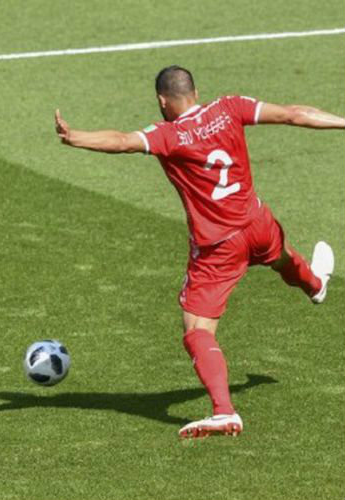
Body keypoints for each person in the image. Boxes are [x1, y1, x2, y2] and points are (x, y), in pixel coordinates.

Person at [54, 65, 343, 438]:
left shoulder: (168, 135)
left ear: (162, 101)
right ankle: (315, 284)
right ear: (195, 91)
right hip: (256, 221)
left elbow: (123, 140)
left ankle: (224, 411)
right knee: (281, 255)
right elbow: (294, 114)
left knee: (196, 329)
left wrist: (75, 137)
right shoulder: (230, 107)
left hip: (218, 247)